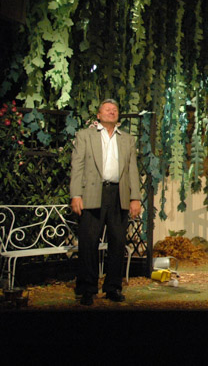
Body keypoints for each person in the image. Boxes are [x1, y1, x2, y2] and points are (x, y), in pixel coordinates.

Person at [69, 99, 142, 306]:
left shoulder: (127, 139)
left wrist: (135, 197)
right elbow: (77, 166)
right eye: (107, 109)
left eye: (115, 109)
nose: (112, 111)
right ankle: (87, 288)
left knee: (118, 242)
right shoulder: (85, 135)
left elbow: (132, 170)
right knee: (89, 242)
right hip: (93, 192)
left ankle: (113, 287)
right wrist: (76, 194)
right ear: (98, 115)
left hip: (118, 194)